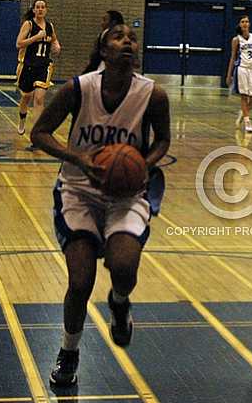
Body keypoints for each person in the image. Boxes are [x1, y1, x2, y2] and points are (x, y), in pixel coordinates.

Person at [30, 24, 171, 387]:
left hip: (127, 194)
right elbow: (40, 134)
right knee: (80, 281)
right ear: (104, 50)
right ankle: (69, 351)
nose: (127, 41)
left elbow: (163, 141)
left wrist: (144, 164)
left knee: (123, 267)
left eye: (132, 37)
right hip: (78, 190)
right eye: (118, 37)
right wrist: (77, 157)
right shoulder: (79, 88)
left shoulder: (152, 95)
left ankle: (120, 301)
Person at [16, 0, 61, 149]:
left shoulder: (50, 26)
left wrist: (56, 46)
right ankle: (22, 119)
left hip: (43, 66)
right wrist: (35, 37)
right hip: (28, 66)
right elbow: (18, 44)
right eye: (38, 7)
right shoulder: (28, 24)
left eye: (43, 7)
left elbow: (54, 41)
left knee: (40, 99)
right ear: (34, 10)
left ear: (46, 10)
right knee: (26, 97)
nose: (40, 9)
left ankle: (36, 137)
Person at [226, 15, 252, 133]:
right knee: (244, 96)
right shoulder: (236, 40)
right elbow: (232, 57)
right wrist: (229, 75)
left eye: (247, 21)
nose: (245, 23)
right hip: (241, 68)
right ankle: (248, 122)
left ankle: (243, 114)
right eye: (242, 21)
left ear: (249, 24)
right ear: (239, 24)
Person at [82, 10, 124, 74]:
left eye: (105, 20)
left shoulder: (107, 33)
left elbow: (96, 53)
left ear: (113, 22)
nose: (102, 23)